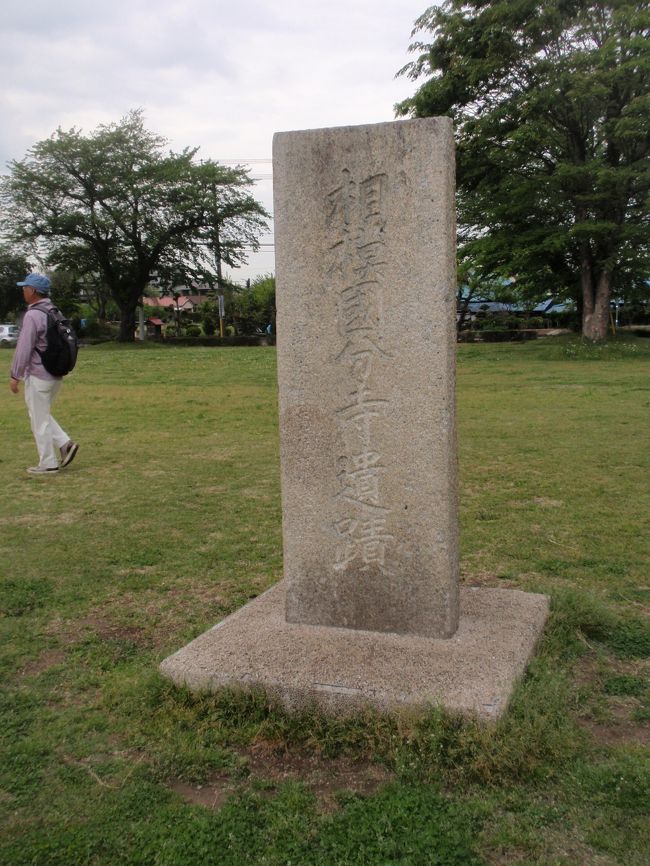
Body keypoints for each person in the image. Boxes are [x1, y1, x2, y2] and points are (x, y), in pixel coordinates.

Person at [9, 273, 79, 475]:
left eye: (25, 288)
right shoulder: (53, 311)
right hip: (55, 375)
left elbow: (24, 347)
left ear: (33, 291)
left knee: (39, 420)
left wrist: (15, 375)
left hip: (39, 374)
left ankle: (48, 463)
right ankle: (65, 444)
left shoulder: (33, 315)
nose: (23, 291)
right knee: (40, 414)